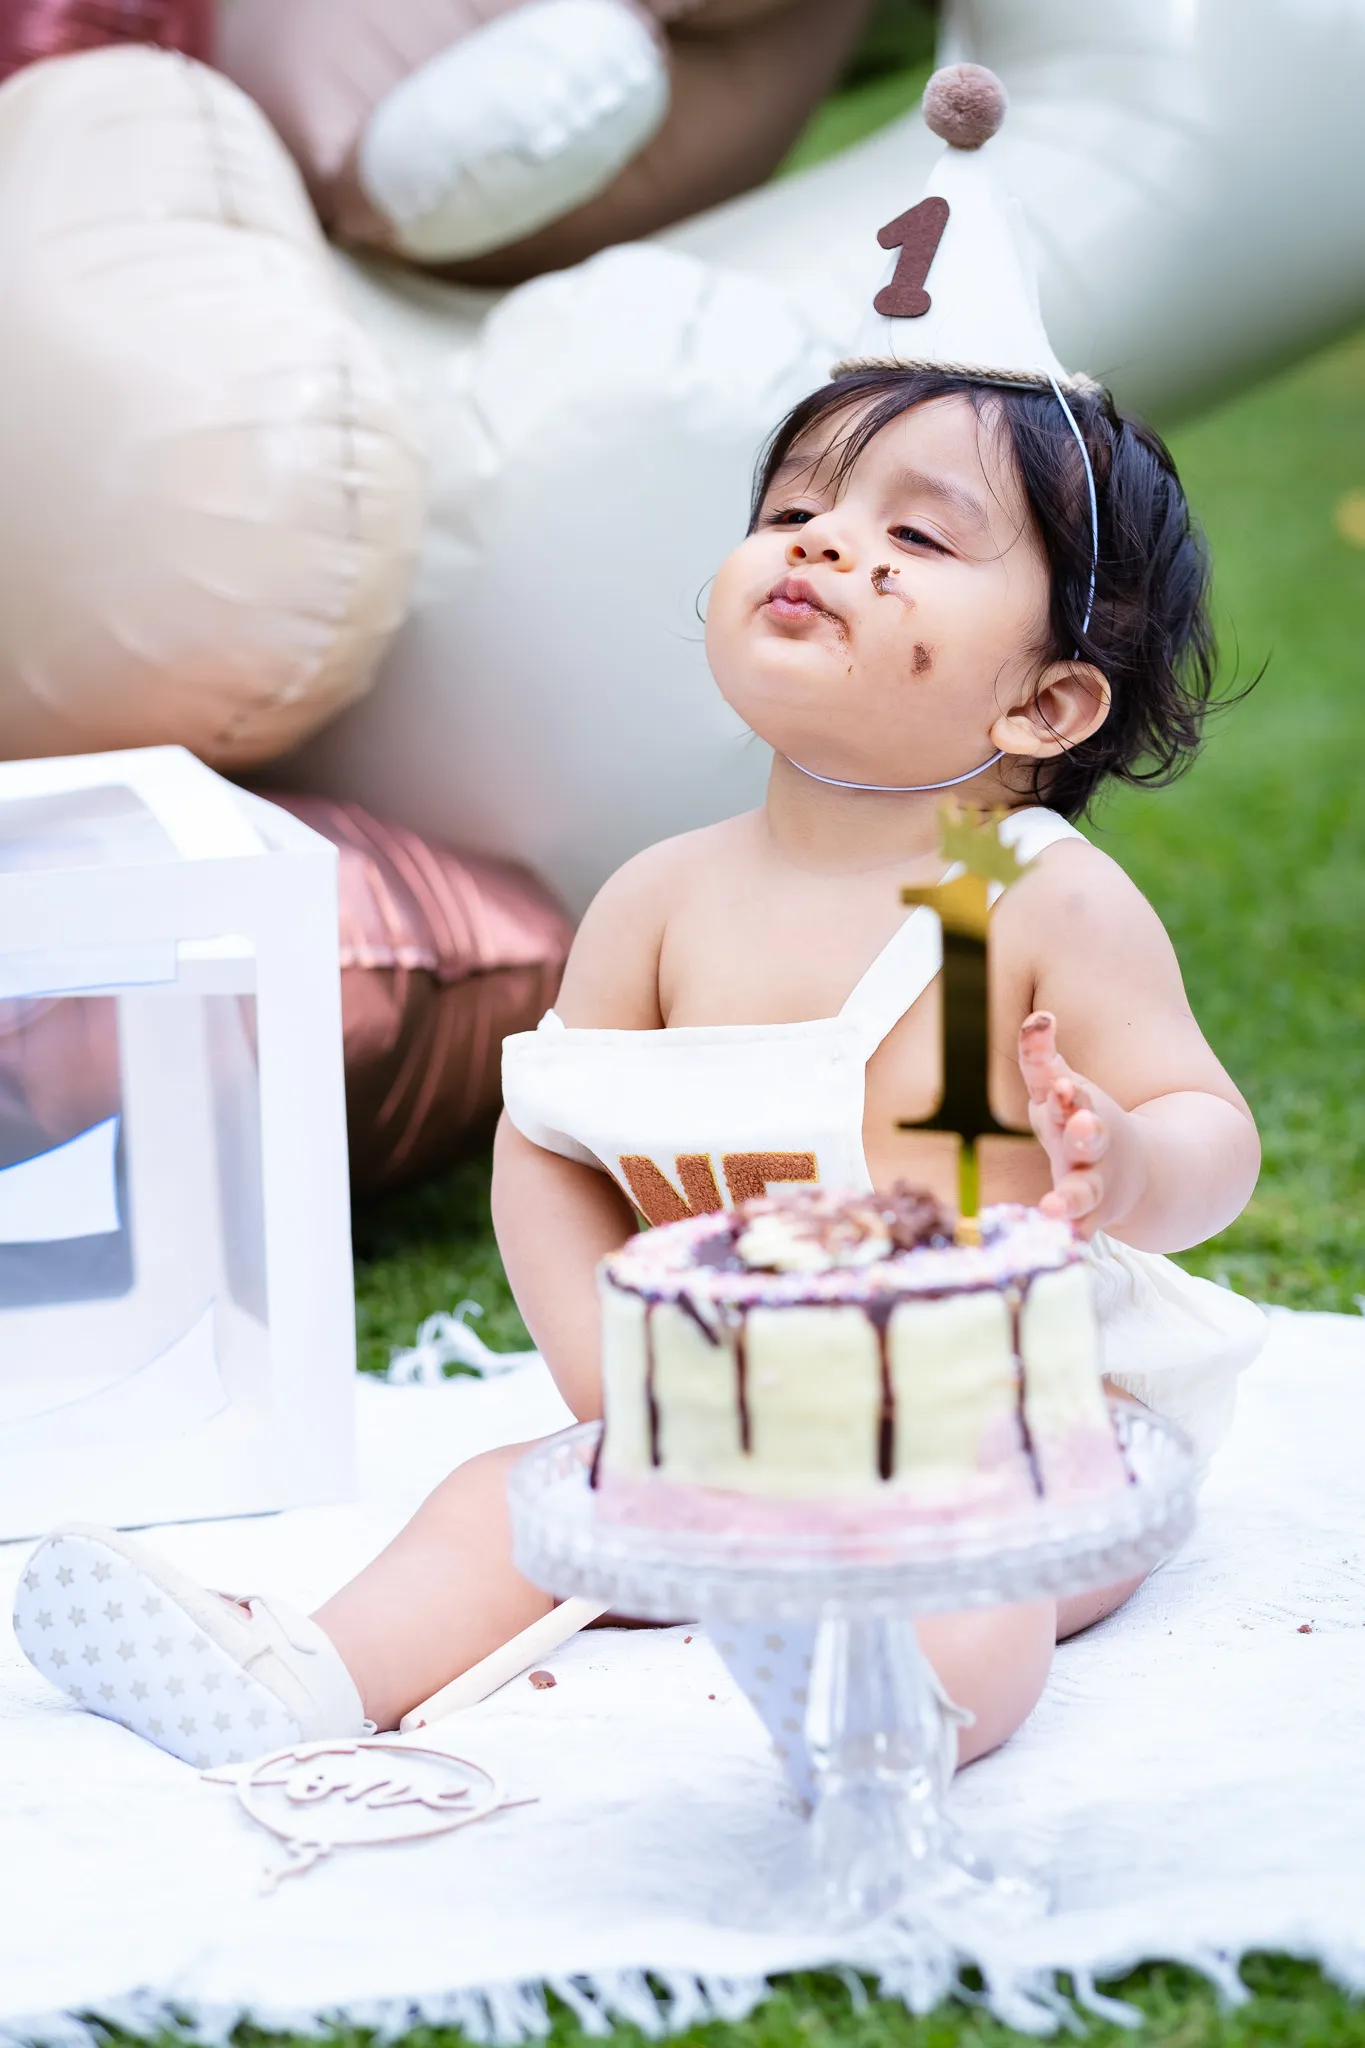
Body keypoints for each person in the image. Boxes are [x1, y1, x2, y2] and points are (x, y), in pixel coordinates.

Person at [12, 66, 1265, 1779]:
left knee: (979, 1576)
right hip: (719, 1394)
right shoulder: (670, 896)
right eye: (795, 510)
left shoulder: (1024, 902)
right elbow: (554, 1146)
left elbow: (1213, 1135)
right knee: (505, 1502)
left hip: (1010, 1416)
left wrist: (1125, 1158)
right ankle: (303, 1673)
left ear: (1048, 705)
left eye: (917, 531)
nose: (826, 544)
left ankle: (889, 1709)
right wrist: (614, 1380)